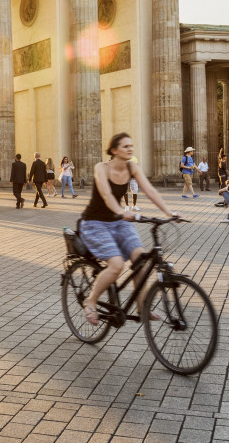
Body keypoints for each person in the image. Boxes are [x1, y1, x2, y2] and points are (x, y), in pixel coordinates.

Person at [81, 132, 179, 326]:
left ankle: (142, 307)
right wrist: (121, 210)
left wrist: (169, 212)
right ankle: (90, 301)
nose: (130, 149)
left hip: (118, 222)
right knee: (116, 265)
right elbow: (106, 193)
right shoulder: (101, 168)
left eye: (131, 146)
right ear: (114, 150)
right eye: (125, 146)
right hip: (94, 223)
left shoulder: (132, 166)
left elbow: (149, 190)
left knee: (141, 259)